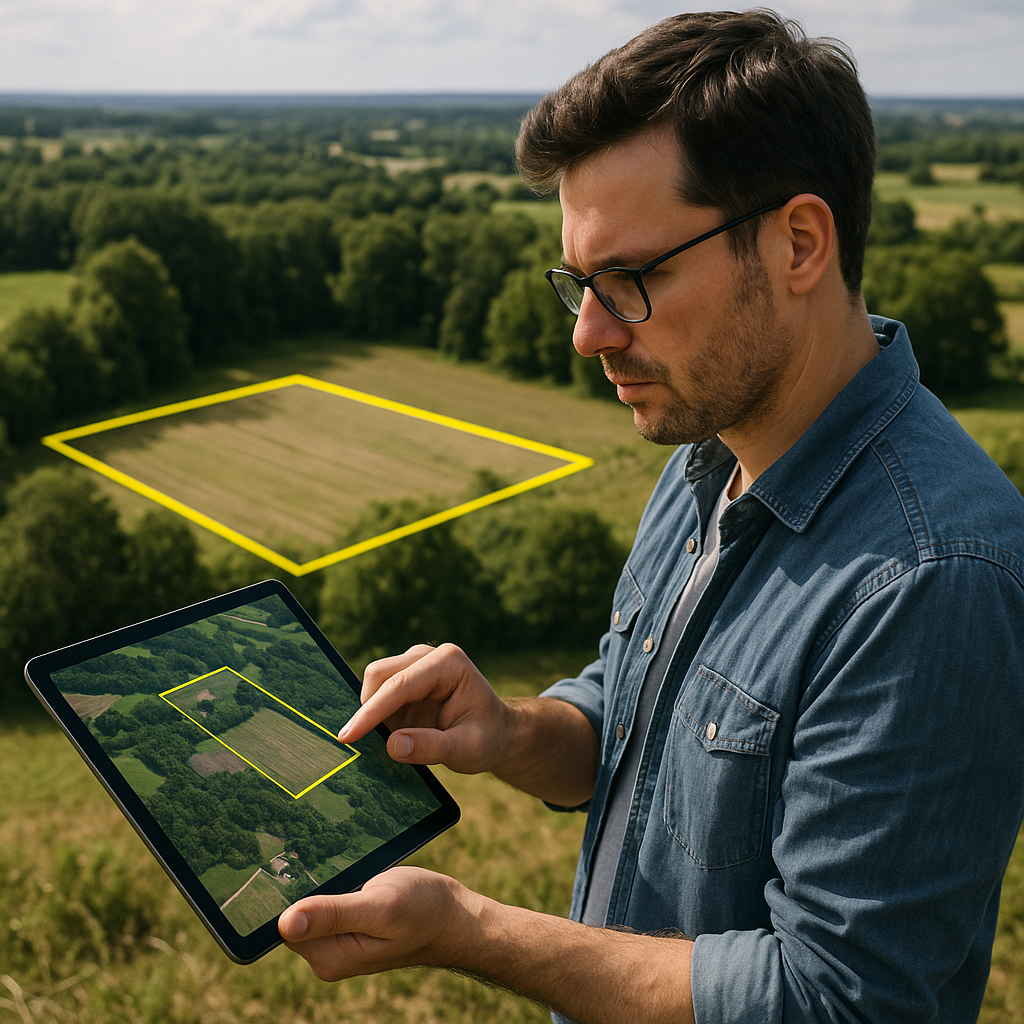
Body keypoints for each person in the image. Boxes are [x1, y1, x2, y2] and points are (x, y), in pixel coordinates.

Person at [279, 10, 1024, 1023]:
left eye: (629, 279)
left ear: (799, 243)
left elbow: (841, 1000)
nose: (587, 334)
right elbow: (637, 723)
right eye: (579, 284)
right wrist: (509, 730)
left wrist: (470, 932)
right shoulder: (707, 453)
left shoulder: (929, 576)